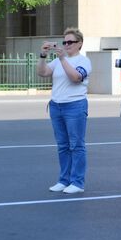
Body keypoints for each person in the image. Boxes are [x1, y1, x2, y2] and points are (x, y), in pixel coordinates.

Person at [37, 28, 92, 194]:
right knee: (62, 146)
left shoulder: (84, 61)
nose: (66, 45)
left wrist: (62, 59)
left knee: (76, 145)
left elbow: (75, 77)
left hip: (75, 106)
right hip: (56, 106)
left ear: (79, 44)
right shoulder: (59, 61)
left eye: (70, 42)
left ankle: (77, 182)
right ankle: (64, 179)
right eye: (64, 42)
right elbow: (43, 72)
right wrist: (42, 56)